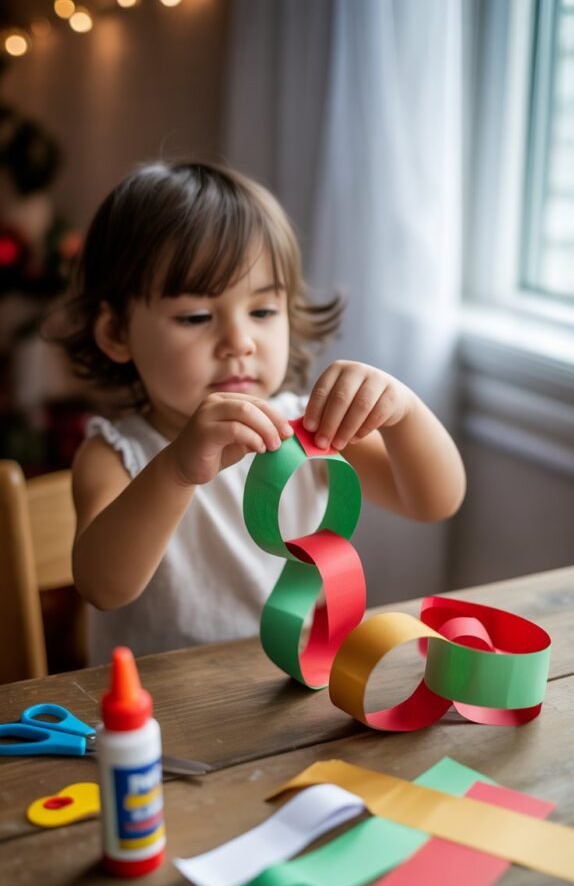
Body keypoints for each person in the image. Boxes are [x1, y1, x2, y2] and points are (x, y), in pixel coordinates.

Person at [53, 160, 466, 666]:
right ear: (117, 334)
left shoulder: (312, 427)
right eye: (196, 317)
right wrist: (177, 470)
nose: (239, 342)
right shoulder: (117, 455)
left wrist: (404, 410)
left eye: (263, 311)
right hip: (164, 702)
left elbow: (433, 501)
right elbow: (104, 588)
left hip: (291, 683)